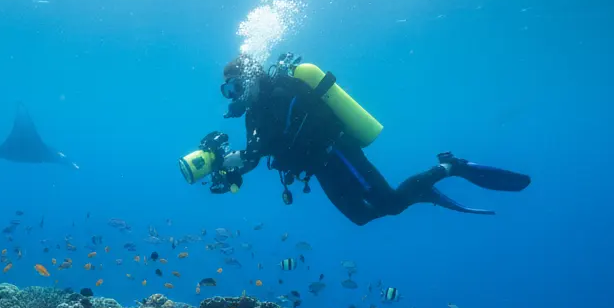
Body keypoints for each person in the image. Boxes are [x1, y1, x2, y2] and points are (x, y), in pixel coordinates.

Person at [179, 54, 530, 225]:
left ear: (253, 76)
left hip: (338, 153)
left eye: (236, 86)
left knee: (390, 204)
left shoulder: (284, 92)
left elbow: (277, 140)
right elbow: (256, 154)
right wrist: (225, 166)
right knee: (362, 218)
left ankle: (449, 167)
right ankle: (421, 190)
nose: (234, 95)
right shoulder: (254, 114)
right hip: (319, 168)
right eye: (228, 91)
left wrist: (238, 156)